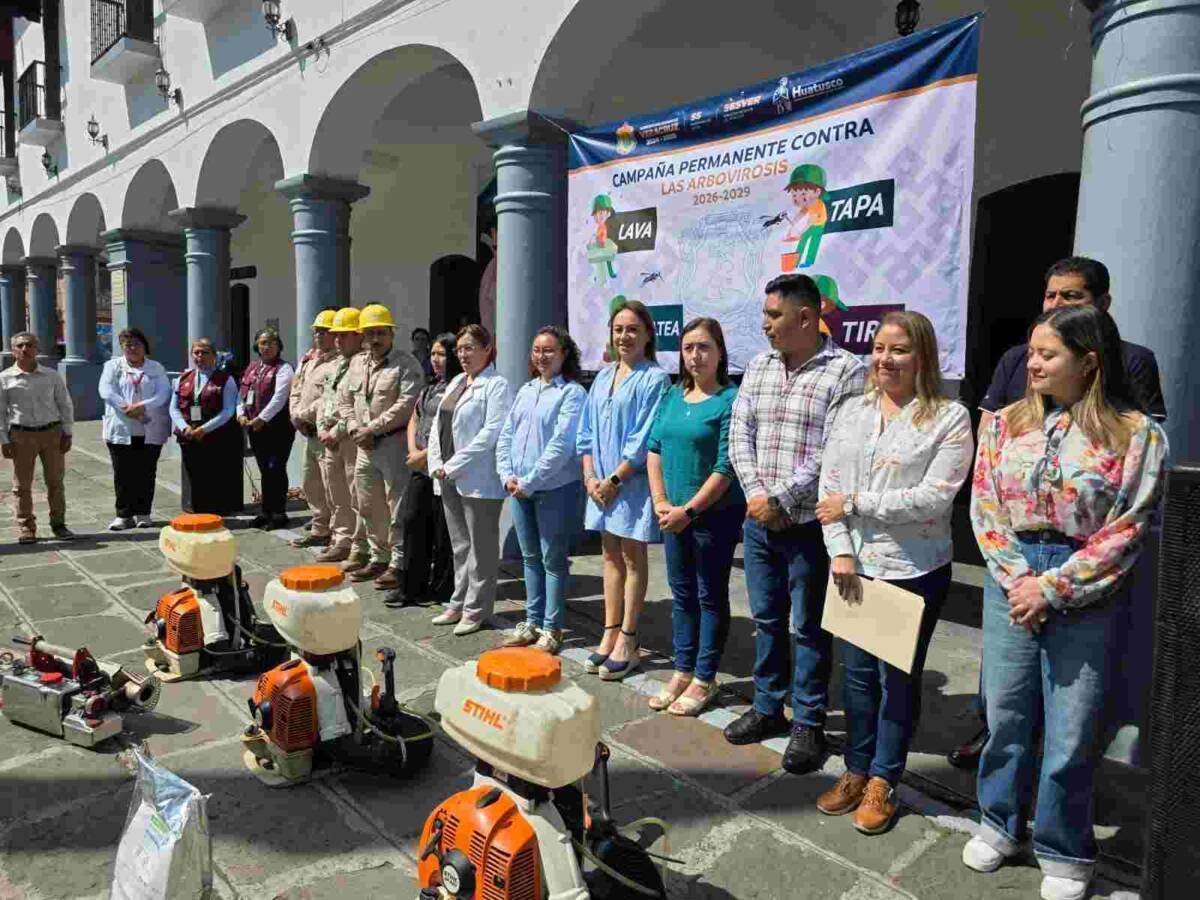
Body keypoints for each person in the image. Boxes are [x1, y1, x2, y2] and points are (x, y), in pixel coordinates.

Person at [962, 305, 1165, 900]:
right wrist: (1019, 578)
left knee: (1073, 728)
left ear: (1089, 361)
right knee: (1006, 714)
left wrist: (1053, 586)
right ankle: (999, 821)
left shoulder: (1137, 433)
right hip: (1012, 576)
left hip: (1086, 585)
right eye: (1032, 352)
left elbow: (1128, 526)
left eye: (1048, 354)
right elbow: (985, 506)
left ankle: (1064, 845)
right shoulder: (1003, 425)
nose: (1034, 363)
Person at [948, 255, 1168, 770]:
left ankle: (1061, 822)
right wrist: (1020, 575)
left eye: (1071, 296)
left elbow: (1132, 495)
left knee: (1074, 711)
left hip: (1085, 563)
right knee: (1006, 698)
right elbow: (988, 475)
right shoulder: (1015, 374)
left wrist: (1054, 585)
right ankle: (1000, 802)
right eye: (1050, 296)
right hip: (1015, 559)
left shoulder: (1133, 369)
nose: (1056, 304)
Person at [813, 311, 974, 834]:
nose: (884, 358)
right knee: (857, 680)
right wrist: (839, 549)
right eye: (879, 348)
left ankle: (885, 778)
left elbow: (932, 498)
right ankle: (856, 770)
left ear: (922, 356)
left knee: (896, 680)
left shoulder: (949, 418)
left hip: (911, 570)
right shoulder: (852, 412)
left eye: (899, 349)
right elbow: (827, 489)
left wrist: (854, 505)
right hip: (852, 567)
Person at [727, 273, 865, 772]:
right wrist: (757, 495)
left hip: (808, 526)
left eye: (773, 315)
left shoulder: (846, 371)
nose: (764, 325)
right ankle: (768, 707)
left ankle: (808, 721)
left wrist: (781, 498)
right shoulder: (760, 366)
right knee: (766, 620)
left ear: (806, 317)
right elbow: (739, 432)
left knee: (807, 627)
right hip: (759, 520)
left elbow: (835, 450)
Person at [646, 317, 744, 714]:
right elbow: (654, 448)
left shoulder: (730, 400)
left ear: (720, 352)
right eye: (688, 348)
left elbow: (726, 466)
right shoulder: (673, 395)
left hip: (712, 516)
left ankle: (705, 678)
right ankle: (682, 670)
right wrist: (660, 502)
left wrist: (688, 510)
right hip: (672, 514)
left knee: (709, 596)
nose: (695, 355)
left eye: (704, 347)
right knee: (681, 594)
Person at [577, 300, 670, 681]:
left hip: (628, 486)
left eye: (632, 329)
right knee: (609, 557)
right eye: (618, 329)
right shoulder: (602, 376)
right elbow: (586, 432)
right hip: (599, 484)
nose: (624, 336)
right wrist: (590, 477)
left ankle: (629, 638)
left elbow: (645, 437)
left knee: (631, 558)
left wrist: (614, 480)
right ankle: (609, 631)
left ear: (648, 334)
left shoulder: (655, 379)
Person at [497, 326, 587, 655]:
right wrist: (506, 473)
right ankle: (532, 622)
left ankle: (552, 628)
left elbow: (562, 444)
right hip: (519, 488)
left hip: (554, 488)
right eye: (537, 350)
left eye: (549, 350)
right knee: (530, 558)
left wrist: (530, 481)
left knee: (553, 560)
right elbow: (507, 434)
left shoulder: (572, 393)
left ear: (564, 354)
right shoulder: (526, 390)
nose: (542, 356)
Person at [428, 325, 511, 635]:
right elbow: (438, 425)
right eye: (460, 349)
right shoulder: (457, 382)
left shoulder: (497, 385)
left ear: (487, 349)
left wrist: (453, 465)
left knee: (482, 548)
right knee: (460, 545)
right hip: (447, 475)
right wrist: (436, 462)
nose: (463, 354)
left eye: (470, 348)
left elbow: (491, 433)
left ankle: (477, 609)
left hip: (477, 478)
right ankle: (458, 600)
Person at [338, 304, 425, 585]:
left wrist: (371, 429)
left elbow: (406, 405)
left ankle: (399, 563)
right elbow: (345, 401)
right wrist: (354, 428)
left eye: (380, 333)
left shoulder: (406, 364)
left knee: (396, 505)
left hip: (393, 444)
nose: (375, 339)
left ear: (391, 334)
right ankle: (379, 558)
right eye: (370, 333)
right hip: (364, 446)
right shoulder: (357, 363)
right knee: (367, 504)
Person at [387, 332, 461, 607]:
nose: (436, 360)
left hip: (443, 466)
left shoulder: (461, 388)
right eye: (433, 354)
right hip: (420, 464)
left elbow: (456, 433)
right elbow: (415, 418)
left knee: (443, 531)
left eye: (442, 354)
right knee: (412, 521)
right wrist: (413, 451)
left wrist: (425, 456)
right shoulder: (430, 386)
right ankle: (410, 586)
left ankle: (441, 588)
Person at [0, 332, 75, 543]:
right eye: (20, 346)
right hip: (20, 435)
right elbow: (1, 411)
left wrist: (67, 432)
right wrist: (4, 440)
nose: (25, 349)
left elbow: (65, 404)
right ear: (14, 351)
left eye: (29, 345)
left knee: (56, 482)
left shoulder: (51, 376)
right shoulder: (5, 378)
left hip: (51, 433)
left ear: (37, 349)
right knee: (22, 485)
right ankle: (26, 527)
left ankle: (59, 524)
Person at [99, 328, 172, 530]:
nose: (132, 348)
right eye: (127, 344)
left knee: (146, 473)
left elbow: (163, 393)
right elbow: (105, 390)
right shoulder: (112, 365)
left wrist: (142, 407)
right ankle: (123, 515)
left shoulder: (156, 367)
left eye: (136, 344)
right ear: (122, 347)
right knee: (122, 473)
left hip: (149, 428)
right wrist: (127, 408)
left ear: (144, 346)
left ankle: (143, 513)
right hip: (121, 429)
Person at [314, 308, 371, 567]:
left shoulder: (362, 365)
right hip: (328, 438)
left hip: (347, 438)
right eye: (335, 336)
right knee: (334, 494)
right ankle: (341, 539)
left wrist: (335, 432)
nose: (337, 340)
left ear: (359, 336)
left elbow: (354, 406)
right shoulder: (335, 364)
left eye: (344, 335)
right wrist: (321, 430)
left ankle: (358, 546)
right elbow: (325, 401)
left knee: (354, 495)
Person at [170, 338, 242, 516]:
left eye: (204, 352)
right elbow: (173, 408)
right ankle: (194, 507)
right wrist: (184, 427)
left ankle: (217, 509)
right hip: (189, 435)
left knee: (215, 474)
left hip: (216, 435)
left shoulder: (226, 380)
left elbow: (228, 410)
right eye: (196, 352)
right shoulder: (182, 379)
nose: (199, 356)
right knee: (192, 473)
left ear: (214, 356)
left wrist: (204, 429)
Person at [289, 309, 340, 548]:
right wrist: (294, 415)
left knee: (333, 486)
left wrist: (303, 415)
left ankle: (337, 532)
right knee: (311, 483)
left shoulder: (340, 362)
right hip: (308, 431)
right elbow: (296, 388)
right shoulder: (308, 359)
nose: (319, 335)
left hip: (327, 432)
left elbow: (329, 397)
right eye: (317, 331)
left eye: (324, 331)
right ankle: (320, 526)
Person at [237, 328, 296, 529]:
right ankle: (266, 511)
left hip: (278, 428)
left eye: (272, 342)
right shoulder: (252, 367)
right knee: (264, 469)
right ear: (257, 346)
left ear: (279, 346)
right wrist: (240, 414)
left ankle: (279, 514)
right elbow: (242, 393)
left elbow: (280, 398)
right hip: (255, 427)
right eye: (263, 342)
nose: (267, 346)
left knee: (275, 469)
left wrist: (262, 418)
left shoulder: (284, 369)